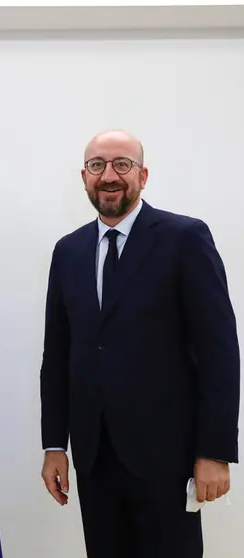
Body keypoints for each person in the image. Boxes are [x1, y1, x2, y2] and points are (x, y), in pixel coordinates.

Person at [39, 129, 240, 557]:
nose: (109, 175)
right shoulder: (68, 251)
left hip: (168, 458)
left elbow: (219, 350)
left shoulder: (184, 239)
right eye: (98, 165)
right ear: (84, 176)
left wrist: (215, 451)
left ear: (143, 175)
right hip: (94, 457)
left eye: (122, 164)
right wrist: (55, 445)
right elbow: (57, 356)